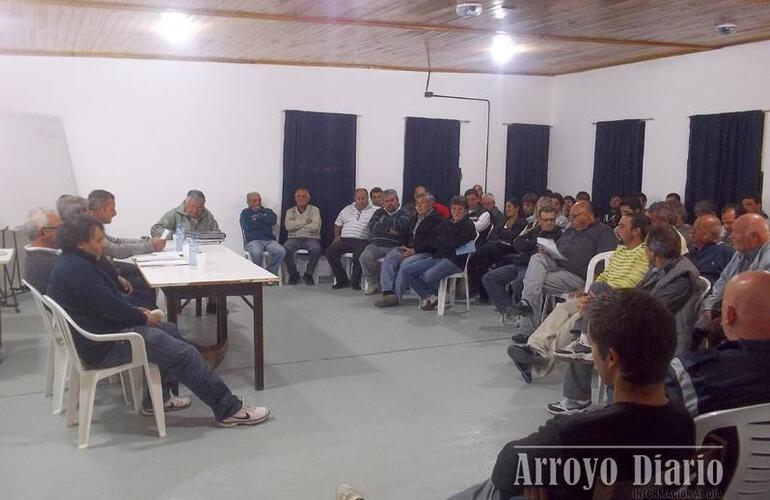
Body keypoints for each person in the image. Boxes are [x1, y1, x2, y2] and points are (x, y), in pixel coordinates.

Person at [443, 289, 694, 500]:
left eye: (592, 347)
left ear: (610, 358)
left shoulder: (576, 433)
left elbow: (506, 469)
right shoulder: (684, 425)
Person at [46, 215, 270, 427]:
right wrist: (142, 316)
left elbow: (107, 302)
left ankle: (158, 399)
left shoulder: (75, 262)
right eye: (98, 240)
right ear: (80, 244)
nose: (103, 244)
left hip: (101, 334)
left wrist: (135, 310)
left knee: (170, 329)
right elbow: (110, 306)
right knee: (185, 354)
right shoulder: (79, 270)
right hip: (104, 345)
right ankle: (229, 410)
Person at [546, 224, 699, 415]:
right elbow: (639, 295)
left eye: (645, 248)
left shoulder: (681, 277)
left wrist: (610, 307)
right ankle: (579, 383)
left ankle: (584, 349)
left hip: (657, 336)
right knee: (598, 306)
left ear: (652, 251)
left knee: (601, 331)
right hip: (642, 324)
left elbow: (654, 312)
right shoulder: (661, 268)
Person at [508, 213, 651, 381]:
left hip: (617, 301)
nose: (617, 229)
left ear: (636, 231)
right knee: (564, 307)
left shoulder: (643, 253)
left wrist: (597, 295)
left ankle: (541, 359)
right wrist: (590, 291)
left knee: (577, 316)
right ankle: (535, 347)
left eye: (622, 226)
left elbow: (632, 283)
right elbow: (605, 275)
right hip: (600, 294)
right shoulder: (621, 249)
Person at [507, 201, 617, 326]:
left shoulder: (603, 232)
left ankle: (526, 326)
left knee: (531, 283)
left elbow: (603, 263)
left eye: (574, 216)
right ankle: (526, 305)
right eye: (570, 216)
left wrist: (589, 286)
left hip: (577, 276)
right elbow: (558, 248)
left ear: (588, 215)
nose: (571, 219)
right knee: (537, 258)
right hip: (557, 265)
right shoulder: (571, 230)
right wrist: (548, 250)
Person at [481, 205, 561, 319]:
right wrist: (532, 246)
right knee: (489, 278)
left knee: (519, 283)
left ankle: (525, 315)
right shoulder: (535, 230)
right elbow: (517, 242)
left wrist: (528, 245)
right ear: (539, 220)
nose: (549, 223)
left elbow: (550, 252)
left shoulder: (558, 235)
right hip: (520, 263)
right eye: (545, 220)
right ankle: (508, 311)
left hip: (536, 268)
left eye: (551, 219)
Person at [401, 196, 476, 310]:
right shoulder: (446, 222)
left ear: (466, 211)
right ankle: (431, 296)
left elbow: (455, 244)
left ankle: (440, 296)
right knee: (407, 271)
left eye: (460, 209)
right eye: (454, 208)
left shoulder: (468, 225)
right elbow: (434, 239)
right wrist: (445, 240)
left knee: (428, 276)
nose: (456, 212)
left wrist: (444, 240)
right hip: (437, 256)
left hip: (455, 261)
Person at [375, 193, 446, 307]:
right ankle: (387, 292)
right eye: (417, 203)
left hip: (426, 252)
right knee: (390, 257)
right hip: (409, 249)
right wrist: (402, 246)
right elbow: (406, 235)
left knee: (405, 263)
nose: (418, 206)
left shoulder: (437, 220)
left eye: (422, 203)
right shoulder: (415, 218)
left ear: (431, 204)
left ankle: (396, 297)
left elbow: (433, 243)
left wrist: (414, 250)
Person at [699, 214, 770, 325]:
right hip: (731, 311)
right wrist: (709, 307)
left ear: (754, 236)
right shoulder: (740, 252)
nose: (731, 237)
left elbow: (756, 298)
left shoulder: (768, 258)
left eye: (735, 233)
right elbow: (724, 280)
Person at [467, 198, 527, 301]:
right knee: (482, 261)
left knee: (481, 252)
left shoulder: (521, 223)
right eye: (506, 207)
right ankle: (483, 293)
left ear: (517, 208)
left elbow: (514, 238)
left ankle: (476, 289)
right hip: (496, 247)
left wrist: (502, 237)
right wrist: (500, 237)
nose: (507, 209)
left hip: (509, 249)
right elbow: (493, 235)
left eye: (509, 207)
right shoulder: (503, 221)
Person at [88, 189, 166, 259]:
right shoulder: (88, 228)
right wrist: (151, 246)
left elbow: (116, 241)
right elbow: (116, 250)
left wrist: (147, 242)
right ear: (102, 209)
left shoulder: (94, 225)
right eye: (112, 209)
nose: (115, 213)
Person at [360, 189, 410, 295]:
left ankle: (389, 289)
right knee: (365, 256)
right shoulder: (379, 212)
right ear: (383, 203)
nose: (389, 203)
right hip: (376, 245)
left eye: (392, 200)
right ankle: (374, 283)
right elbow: (372, 225)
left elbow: (401, 226)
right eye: (386, 201)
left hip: (395, 246)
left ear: (398, 201)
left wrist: (384, 221)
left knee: (390, 260)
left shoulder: (404, 213)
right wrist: (389, 229)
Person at [326, 188, 377, 290]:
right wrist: (336, 236)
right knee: (330, 252)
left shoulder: (375, 210)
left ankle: (355, 281)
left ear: (367, 198)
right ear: (355, 198)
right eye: (358, 198)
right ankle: (342, 280)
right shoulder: (346, 209)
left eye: (363, 198)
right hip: (345, 239)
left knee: (358, 255)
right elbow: (337, 224)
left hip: (362, 239)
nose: (361, 200)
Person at [282, 188, 323, 285]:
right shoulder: (290, 211)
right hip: (293, 238)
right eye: (298, 196)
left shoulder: (314, 210)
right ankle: (293, 274)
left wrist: (296, 226)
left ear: (308, 198)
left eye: (304, 196)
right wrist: (305, 222)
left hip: (311, 238)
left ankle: (308, 274)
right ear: (295, 198)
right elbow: (288, 227)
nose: (301, 198)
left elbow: (315, 227)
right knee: (285, 249)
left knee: (316, 249)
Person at [240, 192, 286, 275]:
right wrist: (264, 221)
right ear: (248, 202)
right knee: (257, 252)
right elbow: (248, 226)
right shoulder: (245, 213)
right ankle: (259, 274)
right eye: (254, 201)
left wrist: (257, 219)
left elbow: (272, 220)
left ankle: (270, 273)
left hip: (269, 240)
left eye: (259, 200)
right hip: (253, 241)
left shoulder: (268, 211)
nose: (257, 202)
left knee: (281, 251)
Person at [22, 207, 61, 293]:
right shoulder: (53, 264)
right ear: (43, 233)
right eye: (58, 228)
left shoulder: (31, 257)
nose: (62, 231)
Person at [687, 215, 735, 284]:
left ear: (711, 234)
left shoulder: (725, 253)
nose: (692, 231)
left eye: (697, 228)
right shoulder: (691, 251)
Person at [150, 189, 220, 238]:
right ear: (186, 203)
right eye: (192, 206)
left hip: (204, 250)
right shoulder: (175, 214)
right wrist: (177, 236)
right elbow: (155, 230)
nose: (195, 210)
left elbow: (217, 233)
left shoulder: (207, 215)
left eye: (199, 208)